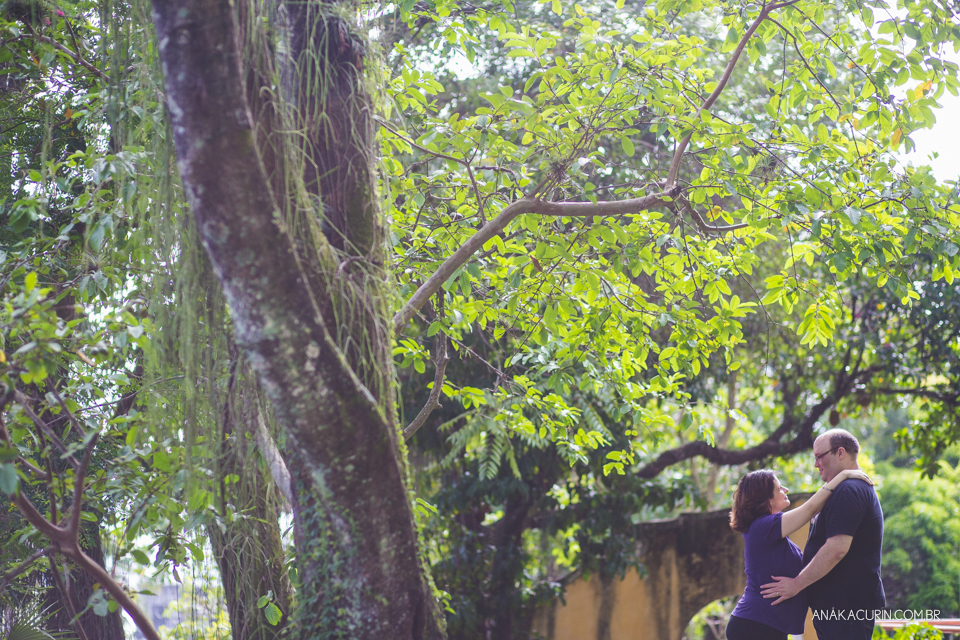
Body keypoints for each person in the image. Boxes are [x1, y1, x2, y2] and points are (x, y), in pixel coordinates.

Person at [760, 429, 885, 640]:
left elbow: (837, 549)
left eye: (819, 456)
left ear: (840, 453)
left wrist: (796, 585)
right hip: (838, 607)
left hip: (846, 608)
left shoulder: (849, 490)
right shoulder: (843, 488)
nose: (816, 464)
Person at [725, 465, 872, 640]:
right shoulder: (762, 527)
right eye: (779, 488)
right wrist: (844, 475)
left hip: (767, 624)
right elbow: (809, 509)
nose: (785, 490)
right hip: (755, 625)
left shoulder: (768, 530)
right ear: (766, 499)